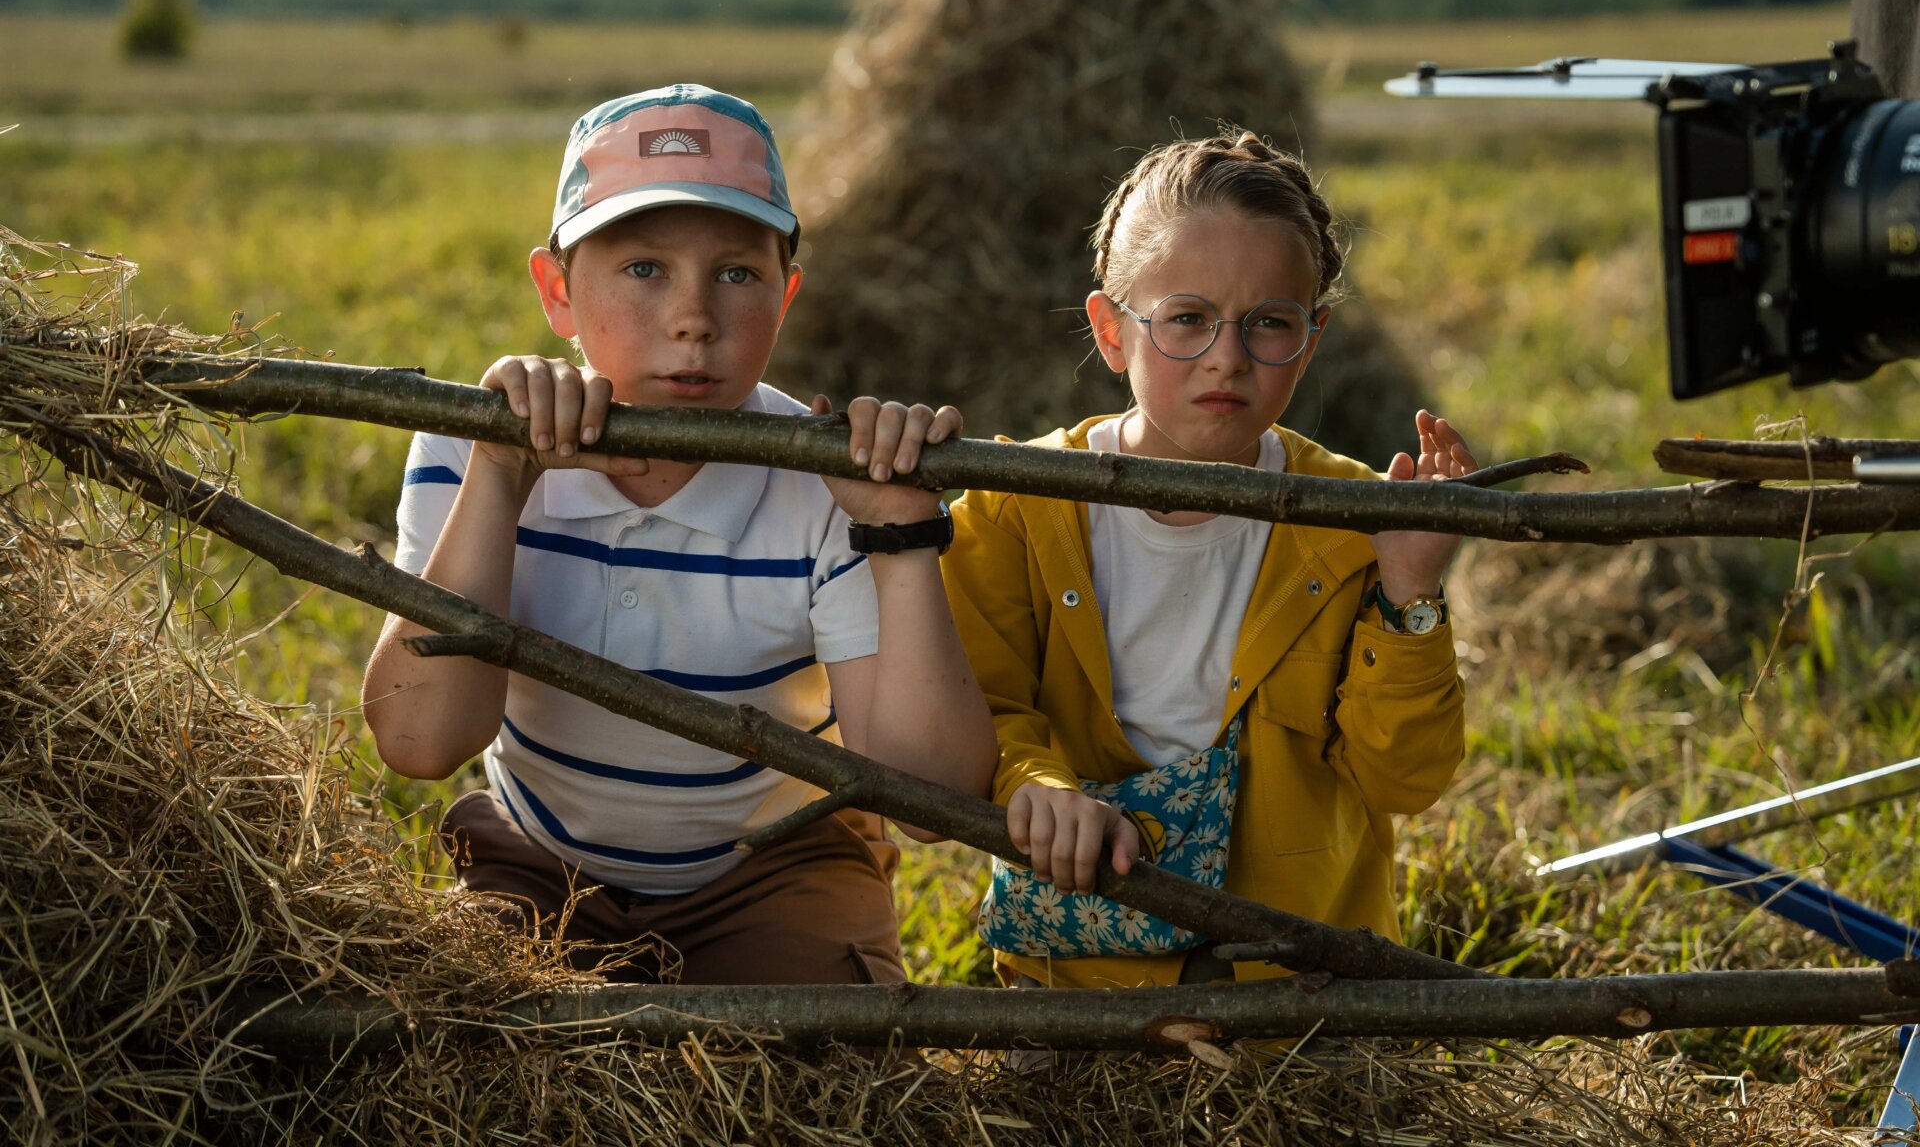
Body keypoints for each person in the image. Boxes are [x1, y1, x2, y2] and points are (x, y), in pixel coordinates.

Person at [362, 83, 995, 986]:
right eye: (643, 269)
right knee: (465, 1029)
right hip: (541, 857)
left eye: (737, 274)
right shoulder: (468, 448)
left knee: (817, 1053)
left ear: (786, 294)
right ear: (557, 292)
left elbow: (930, 803)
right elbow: (419, 743)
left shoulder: (828, 485)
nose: (694, 316)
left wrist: (900, 537)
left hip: (772, 865)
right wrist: (501, 477)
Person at [942, 130, 1474, 990]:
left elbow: (1404, 782)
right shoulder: (1017, 506)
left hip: (1305, 995)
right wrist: (1036, 784)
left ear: (1311, 336)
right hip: (1075, 989)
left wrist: (1409, 591)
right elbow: (981, 709)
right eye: (1187, 319)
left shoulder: (1355, 518)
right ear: (1111, 331)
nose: (1228, 357)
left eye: (1269, 323)